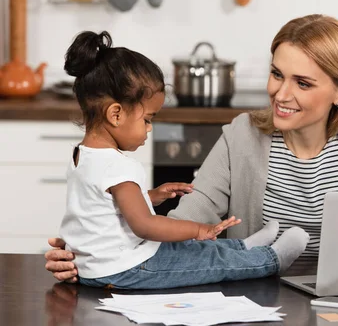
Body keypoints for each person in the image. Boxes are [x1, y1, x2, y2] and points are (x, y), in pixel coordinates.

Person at [45, 14, 338, 283]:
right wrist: (100, 246)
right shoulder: (241, 136)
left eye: (303, 83)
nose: (281, 93)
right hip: (263, 299)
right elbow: (183, 224)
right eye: (277, 74)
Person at [54, 30, 309, 289]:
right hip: (126, 268)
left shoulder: (82, 156)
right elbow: (145, 225)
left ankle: (245, 246)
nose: (149, 128)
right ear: (116, 114)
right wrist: (198, 230)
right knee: (203, 260)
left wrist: (150, 196)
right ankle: (270, 259)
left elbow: (106, 204)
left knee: (187, 250)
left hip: (99, 267)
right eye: (147, 120)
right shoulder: (118, 166)